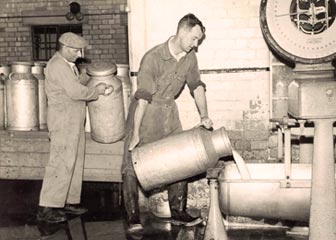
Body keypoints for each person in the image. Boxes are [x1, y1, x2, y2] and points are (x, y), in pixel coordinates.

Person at [122, 13, 213, 233]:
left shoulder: (190, 57)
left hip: (169, 111)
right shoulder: (153, 58)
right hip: (146, 110)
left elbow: (197, 86)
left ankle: (178, 213)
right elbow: (143, 97)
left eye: (198, 40)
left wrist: (204, 116)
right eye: (193, 38)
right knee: (132, 163)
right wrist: (136, 134)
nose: (195, 44)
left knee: (179, 158)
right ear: (181, 31)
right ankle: (133, 217)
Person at [37, 32, 112, 223]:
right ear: (66, 48)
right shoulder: (58, 65)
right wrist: (97, 91)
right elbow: (75, 91)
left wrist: (88, 76)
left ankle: (68, 201)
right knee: (60, 162)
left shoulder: (68, 66)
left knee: (74, 161)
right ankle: (48, 207)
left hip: (73, 120)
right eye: (77, 50)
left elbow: (73, 86)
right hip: (63, 121)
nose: (80, 54)